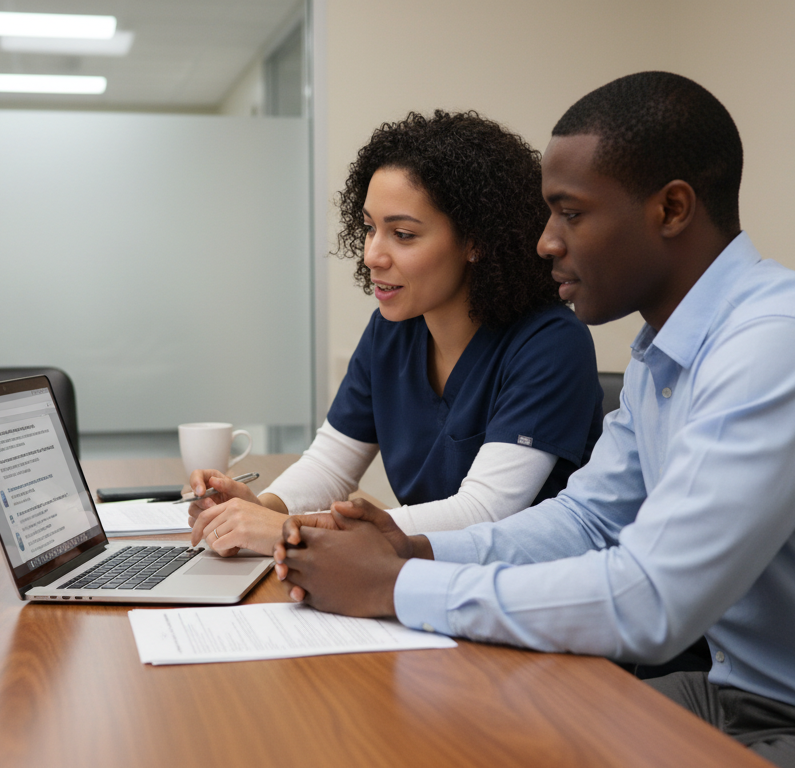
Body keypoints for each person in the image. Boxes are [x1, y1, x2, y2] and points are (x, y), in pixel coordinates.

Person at [273, 73, 795, 768]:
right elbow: (588, 521)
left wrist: (395, 584)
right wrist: (413, 548)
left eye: (571, 213)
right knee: (473, 727)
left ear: (671, 209)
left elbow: (652, 601)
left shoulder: (778, 347)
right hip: (745, 696)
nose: (545, 241)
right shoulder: (667, 352)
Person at [188, 110, 603, 557]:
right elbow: (330, 467)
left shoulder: (549, 344)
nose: (372, 255)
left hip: (520, 585)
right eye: (370, 228)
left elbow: (483, 511)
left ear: (476, 242)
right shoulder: (391, 332)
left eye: (402, 234)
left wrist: (289, 528)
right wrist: (262, 507)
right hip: (422, 575)